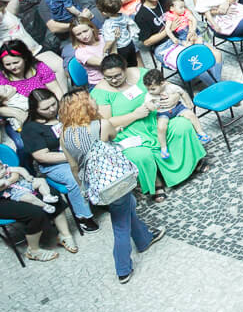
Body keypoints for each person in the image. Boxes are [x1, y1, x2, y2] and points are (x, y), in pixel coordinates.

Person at [59, 89, 164, 283]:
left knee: (128, 206)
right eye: (91, 99)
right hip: (115, 180)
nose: (94, 101)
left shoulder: (64, 136)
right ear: (85, 105)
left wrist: (83, 189)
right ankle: (123, 268)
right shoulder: (101, 125)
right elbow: (113, 136)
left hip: (97, 184)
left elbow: (73, 167)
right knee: (121, 223)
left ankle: (144, 239)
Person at [90, 54, 206, 198]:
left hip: (156, 119)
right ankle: (155, 181)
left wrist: (174, 97)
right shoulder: (100, 92)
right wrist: (135, 115)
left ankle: (191, 163)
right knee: (140, 155)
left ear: (125, 69)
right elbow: (107, 122)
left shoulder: (141, 74)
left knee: (182, 126)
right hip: (128, 131)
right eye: (109, 77)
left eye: (117, 75)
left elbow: (167, 85)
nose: (114, 80)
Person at [20, 88, 97, 230]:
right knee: (75, 179)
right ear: (35, 110)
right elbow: (42, 156)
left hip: (78, 151)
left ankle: (101, 199)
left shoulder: (62, 112)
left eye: (53, 104)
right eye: (45, 108)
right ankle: (84, 216)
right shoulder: (31, 128)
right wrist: (73, 156)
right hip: (55, 164)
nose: (52, 110)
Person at [0, 143, 76, 262]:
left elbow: (13, 170)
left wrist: (10, 179)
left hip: (15, 186)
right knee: (34, 212)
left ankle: (64, 234)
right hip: (3, 199)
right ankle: (33, 250)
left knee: (52, 193)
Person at [135, 0, 222, 81]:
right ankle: (217, 85)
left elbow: (187, 13)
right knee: (197, 60)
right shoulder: (141, 16)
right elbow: (147, 42)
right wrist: (169, 30)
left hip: (182, 36)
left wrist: (191, 30)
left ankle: (216, 83)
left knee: (216, 54)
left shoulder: (164, 0)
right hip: (164, 46)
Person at [141, 68, 209, 157]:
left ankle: (200, 132)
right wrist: (152, 106)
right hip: (163, 113)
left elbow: (182, 92)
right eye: (148, 89)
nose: (150, 91)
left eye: (153, 89)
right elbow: (147, 103)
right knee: (161, 127)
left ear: (162, 83)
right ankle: (163, 148)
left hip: (177, 108)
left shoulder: (171, 87)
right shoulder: (150, 95)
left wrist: (188, 102)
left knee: (191, 115)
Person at [0, 41, 66, 130]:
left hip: (49, 110)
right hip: (23, 119)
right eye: (8, 64)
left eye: (16, 62)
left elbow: (56, 90)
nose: (12, 67)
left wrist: (60, 109)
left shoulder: (39, 68)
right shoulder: (2, 79)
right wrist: (16, 113)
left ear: (24, 58)